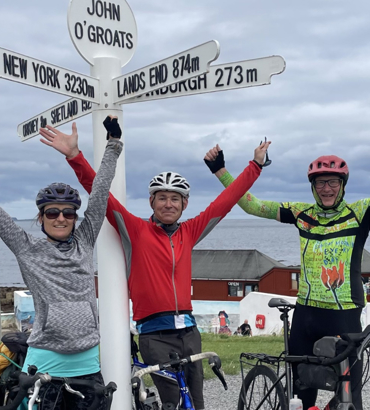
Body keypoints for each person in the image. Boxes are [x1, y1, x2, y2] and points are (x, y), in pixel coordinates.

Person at [38, 120, 269, 410]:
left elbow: (226, 201)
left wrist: (255, 166)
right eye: (162, 198)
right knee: (172, 403)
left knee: (196, 402)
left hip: (189, 332)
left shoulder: (190, 231)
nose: (168, 204)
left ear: (184, 205)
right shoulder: (135, 230)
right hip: (154, 336)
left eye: (175, 199)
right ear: (151, 202)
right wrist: (75, 156)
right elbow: (99, 194)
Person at [204, 115, 370, 410]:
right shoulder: (302, 214)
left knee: (350, 396)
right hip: (305, 315)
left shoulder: (360, 213)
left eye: (332, 182)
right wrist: (221, 171)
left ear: (342, 185)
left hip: (344, 314)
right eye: (320, 183)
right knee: (301, 395)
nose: (326, 188)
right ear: (312, 186)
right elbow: (251, 205)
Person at [0, 120, 123, 410]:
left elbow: (101, 190)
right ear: (41, 218)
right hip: (44, 363)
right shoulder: (26, 247)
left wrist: (113, 145)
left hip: (87, 362)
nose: (61, 218)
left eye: (68, 213)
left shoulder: (86, 240)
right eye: (52, 212)